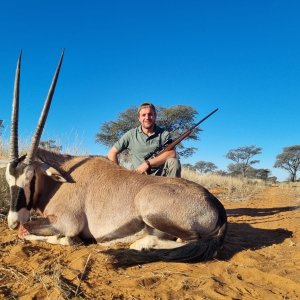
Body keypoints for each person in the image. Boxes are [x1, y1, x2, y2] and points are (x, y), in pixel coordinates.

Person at [107, 102, 181, 177]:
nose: (147, 118)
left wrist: (147, 164)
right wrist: (118, 175)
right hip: (138, 177)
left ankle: (173, 188)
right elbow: (112, 152)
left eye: (150, 114)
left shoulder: (164, 134)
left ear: (155, 116)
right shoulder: (131, 134)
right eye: (143, 115)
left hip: (160, 178)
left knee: (174, 162)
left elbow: (172, 153)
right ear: (139, 118)